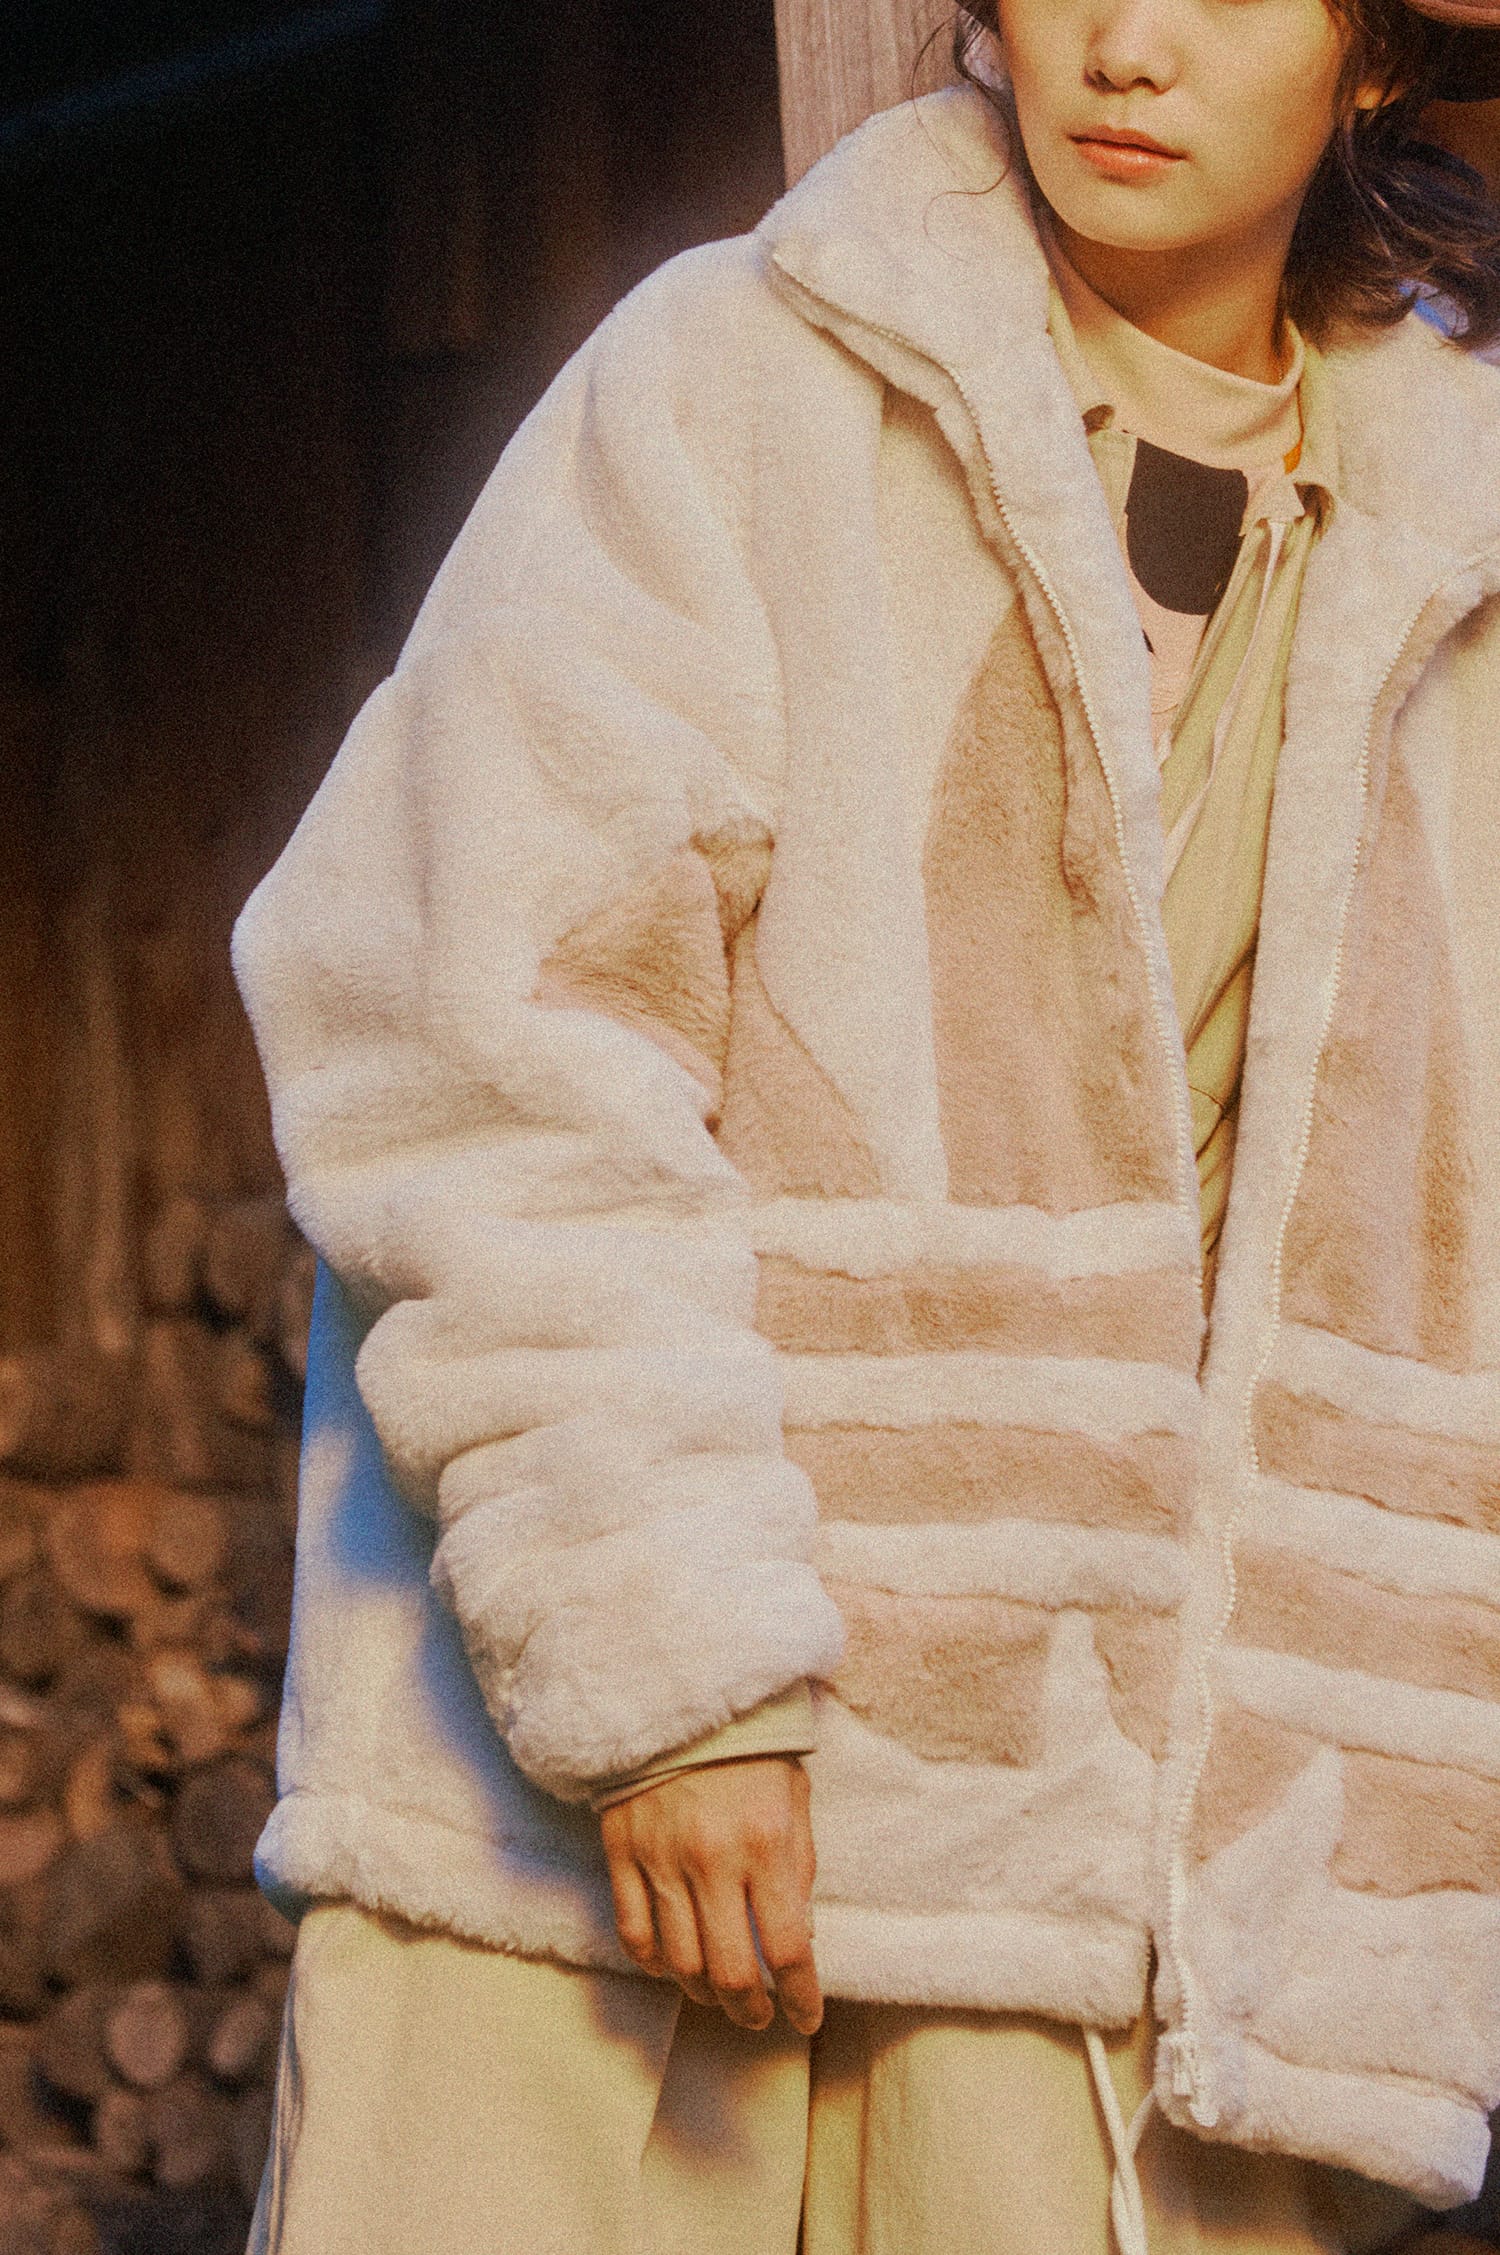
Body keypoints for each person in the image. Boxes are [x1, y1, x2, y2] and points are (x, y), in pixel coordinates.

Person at [231, 1, 1500, 2248]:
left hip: (1121, 1911)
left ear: (1376, 56)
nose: (1127, 45)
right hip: (623, 1848)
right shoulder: (731, 387)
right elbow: (476, 1028)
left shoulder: (1458, 550)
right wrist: (675, 1674)